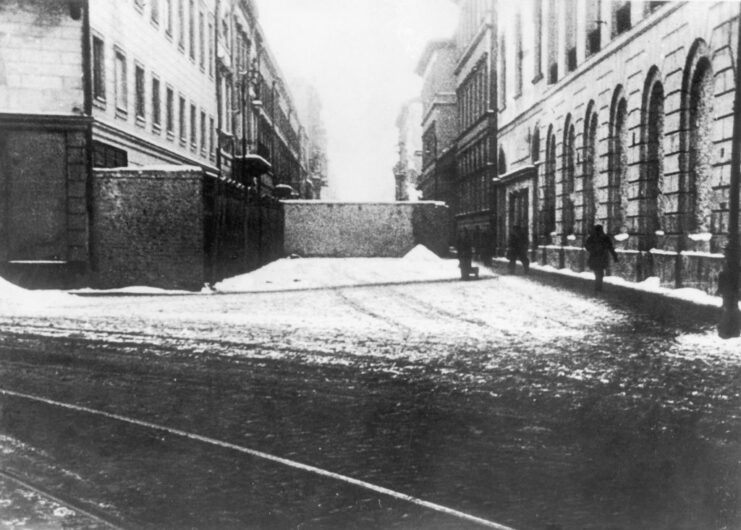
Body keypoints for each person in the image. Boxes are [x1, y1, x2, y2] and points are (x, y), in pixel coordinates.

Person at [585, 224, 618, 292]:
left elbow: (586, 246)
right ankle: (598, 286)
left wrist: (592, 250)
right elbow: (611, 248)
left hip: (594, 257)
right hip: (602, 257)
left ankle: (598, 286)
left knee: (597, 272)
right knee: (600, 272)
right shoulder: (605, 237)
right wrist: (615, 256)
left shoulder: (592, 237)